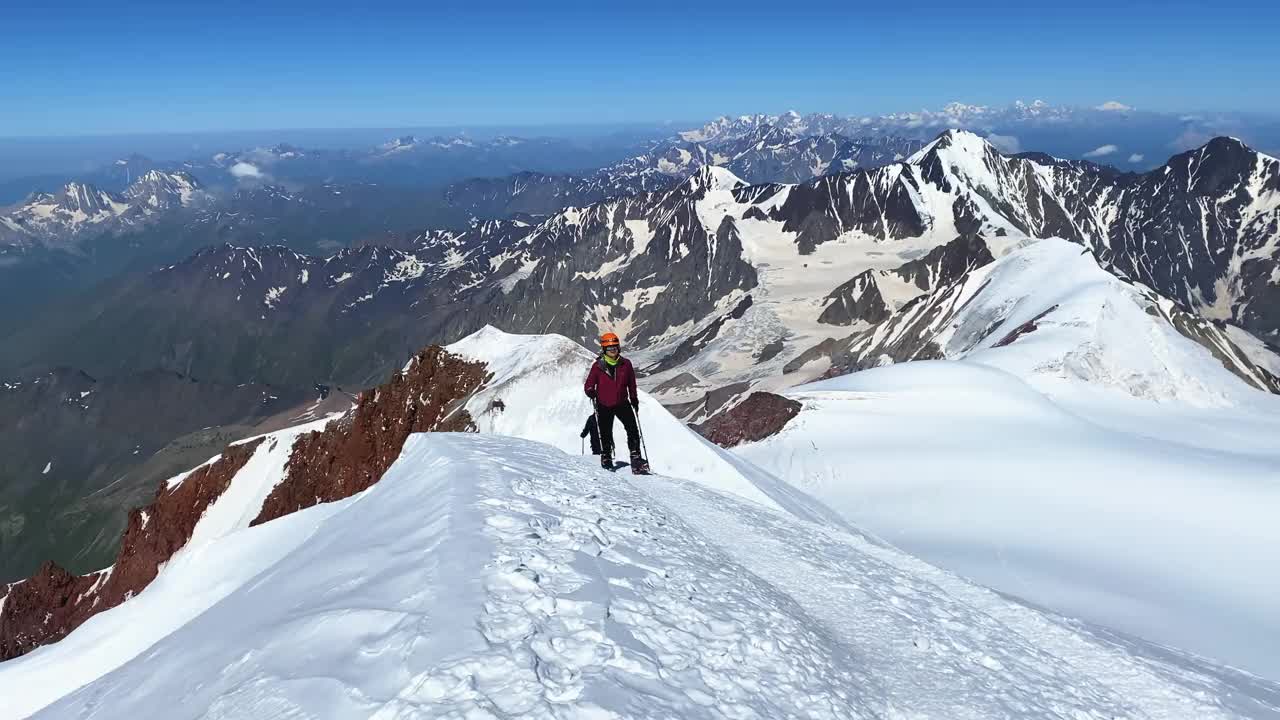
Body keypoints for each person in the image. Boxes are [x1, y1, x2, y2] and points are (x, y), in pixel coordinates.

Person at [583, 332, 648, 473]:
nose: (613, 351)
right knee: (605, 432)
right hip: (603, 403)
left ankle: (635, 456)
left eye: (615, 348)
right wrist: (590, 390)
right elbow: (589, 383)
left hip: (622, 402)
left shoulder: (626, 364)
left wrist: (634, 398)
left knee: (632, 429)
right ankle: (606, 455)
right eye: (610, 348)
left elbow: (632, 383)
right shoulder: (598, 366)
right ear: (604, 350)